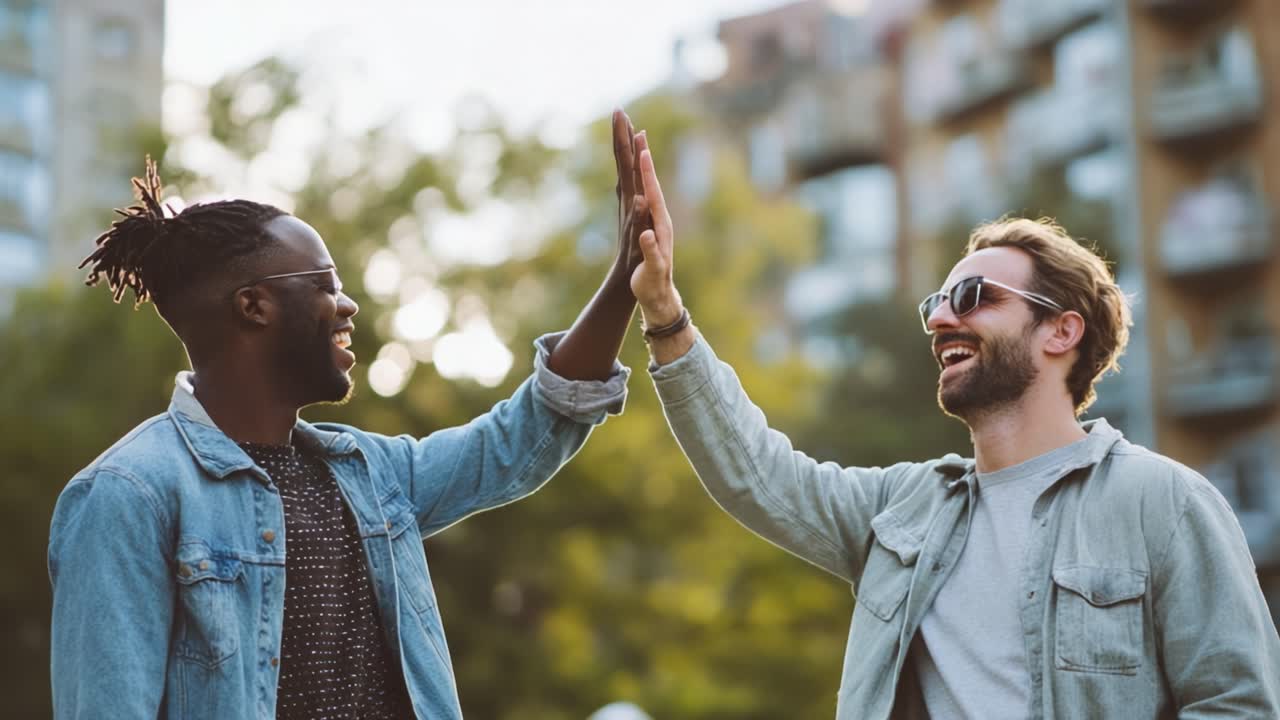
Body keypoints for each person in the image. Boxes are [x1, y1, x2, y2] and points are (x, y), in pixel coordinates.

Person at [625, 142, 1280, 718]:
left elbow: (1237, 703)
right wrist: (662, 307)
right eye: (937, 303)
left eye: (974, 298)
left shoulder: (1163, 504)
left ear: (1061, 330)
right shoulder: (902, 513)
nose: (941, 320)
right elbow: (757, 475)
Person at [48, 110, 650, 719]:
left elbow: (524, 433)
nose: (348, 305)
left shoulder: (370, 475)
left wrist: (626, 280)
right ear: (253, 306)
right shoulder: (127, 495)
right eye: (324, 284)